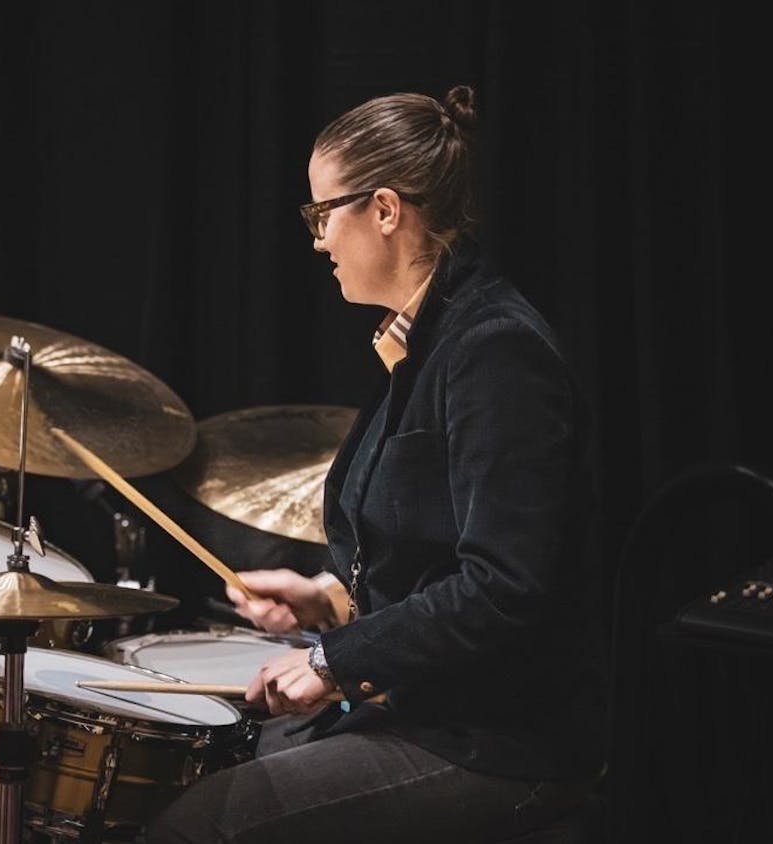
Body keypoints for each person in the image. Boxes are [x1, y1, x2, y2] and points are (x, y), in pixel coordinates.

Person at [146, 86, 606, 842]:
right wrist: (326, 599)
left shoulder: (496, 351)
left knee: (205, 826)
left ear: (385, 210)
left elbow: (506, 589)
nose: (319, 238)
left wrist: (333, 661)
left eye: (323, 212)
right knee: (212, 758)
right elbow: (433, 558)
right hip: (427, 711)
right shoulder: (425, 341)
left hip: (501, 742)